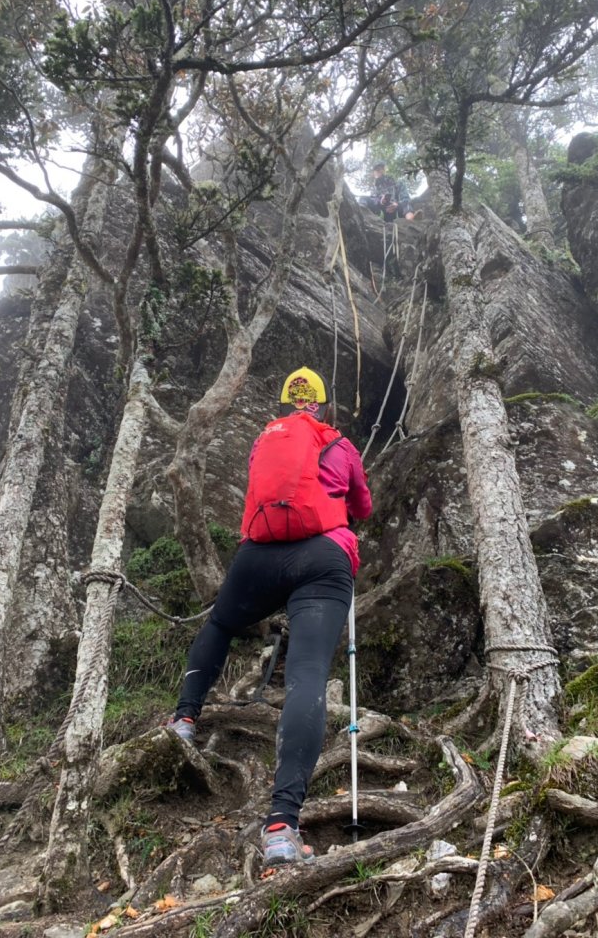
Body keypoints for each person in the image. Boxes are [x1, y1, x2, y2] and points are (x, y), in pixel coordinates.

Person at [166, 366, 372, 866]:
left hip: (258, 556)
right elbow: (363, 508)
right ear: (322, 405)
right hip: (323, 556)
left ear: (284, 405)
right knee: (307, 673)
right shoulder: (340, 444)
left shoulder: (266, 439)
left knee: (221, 623)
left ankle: (185, 719)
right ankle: (281, 827)